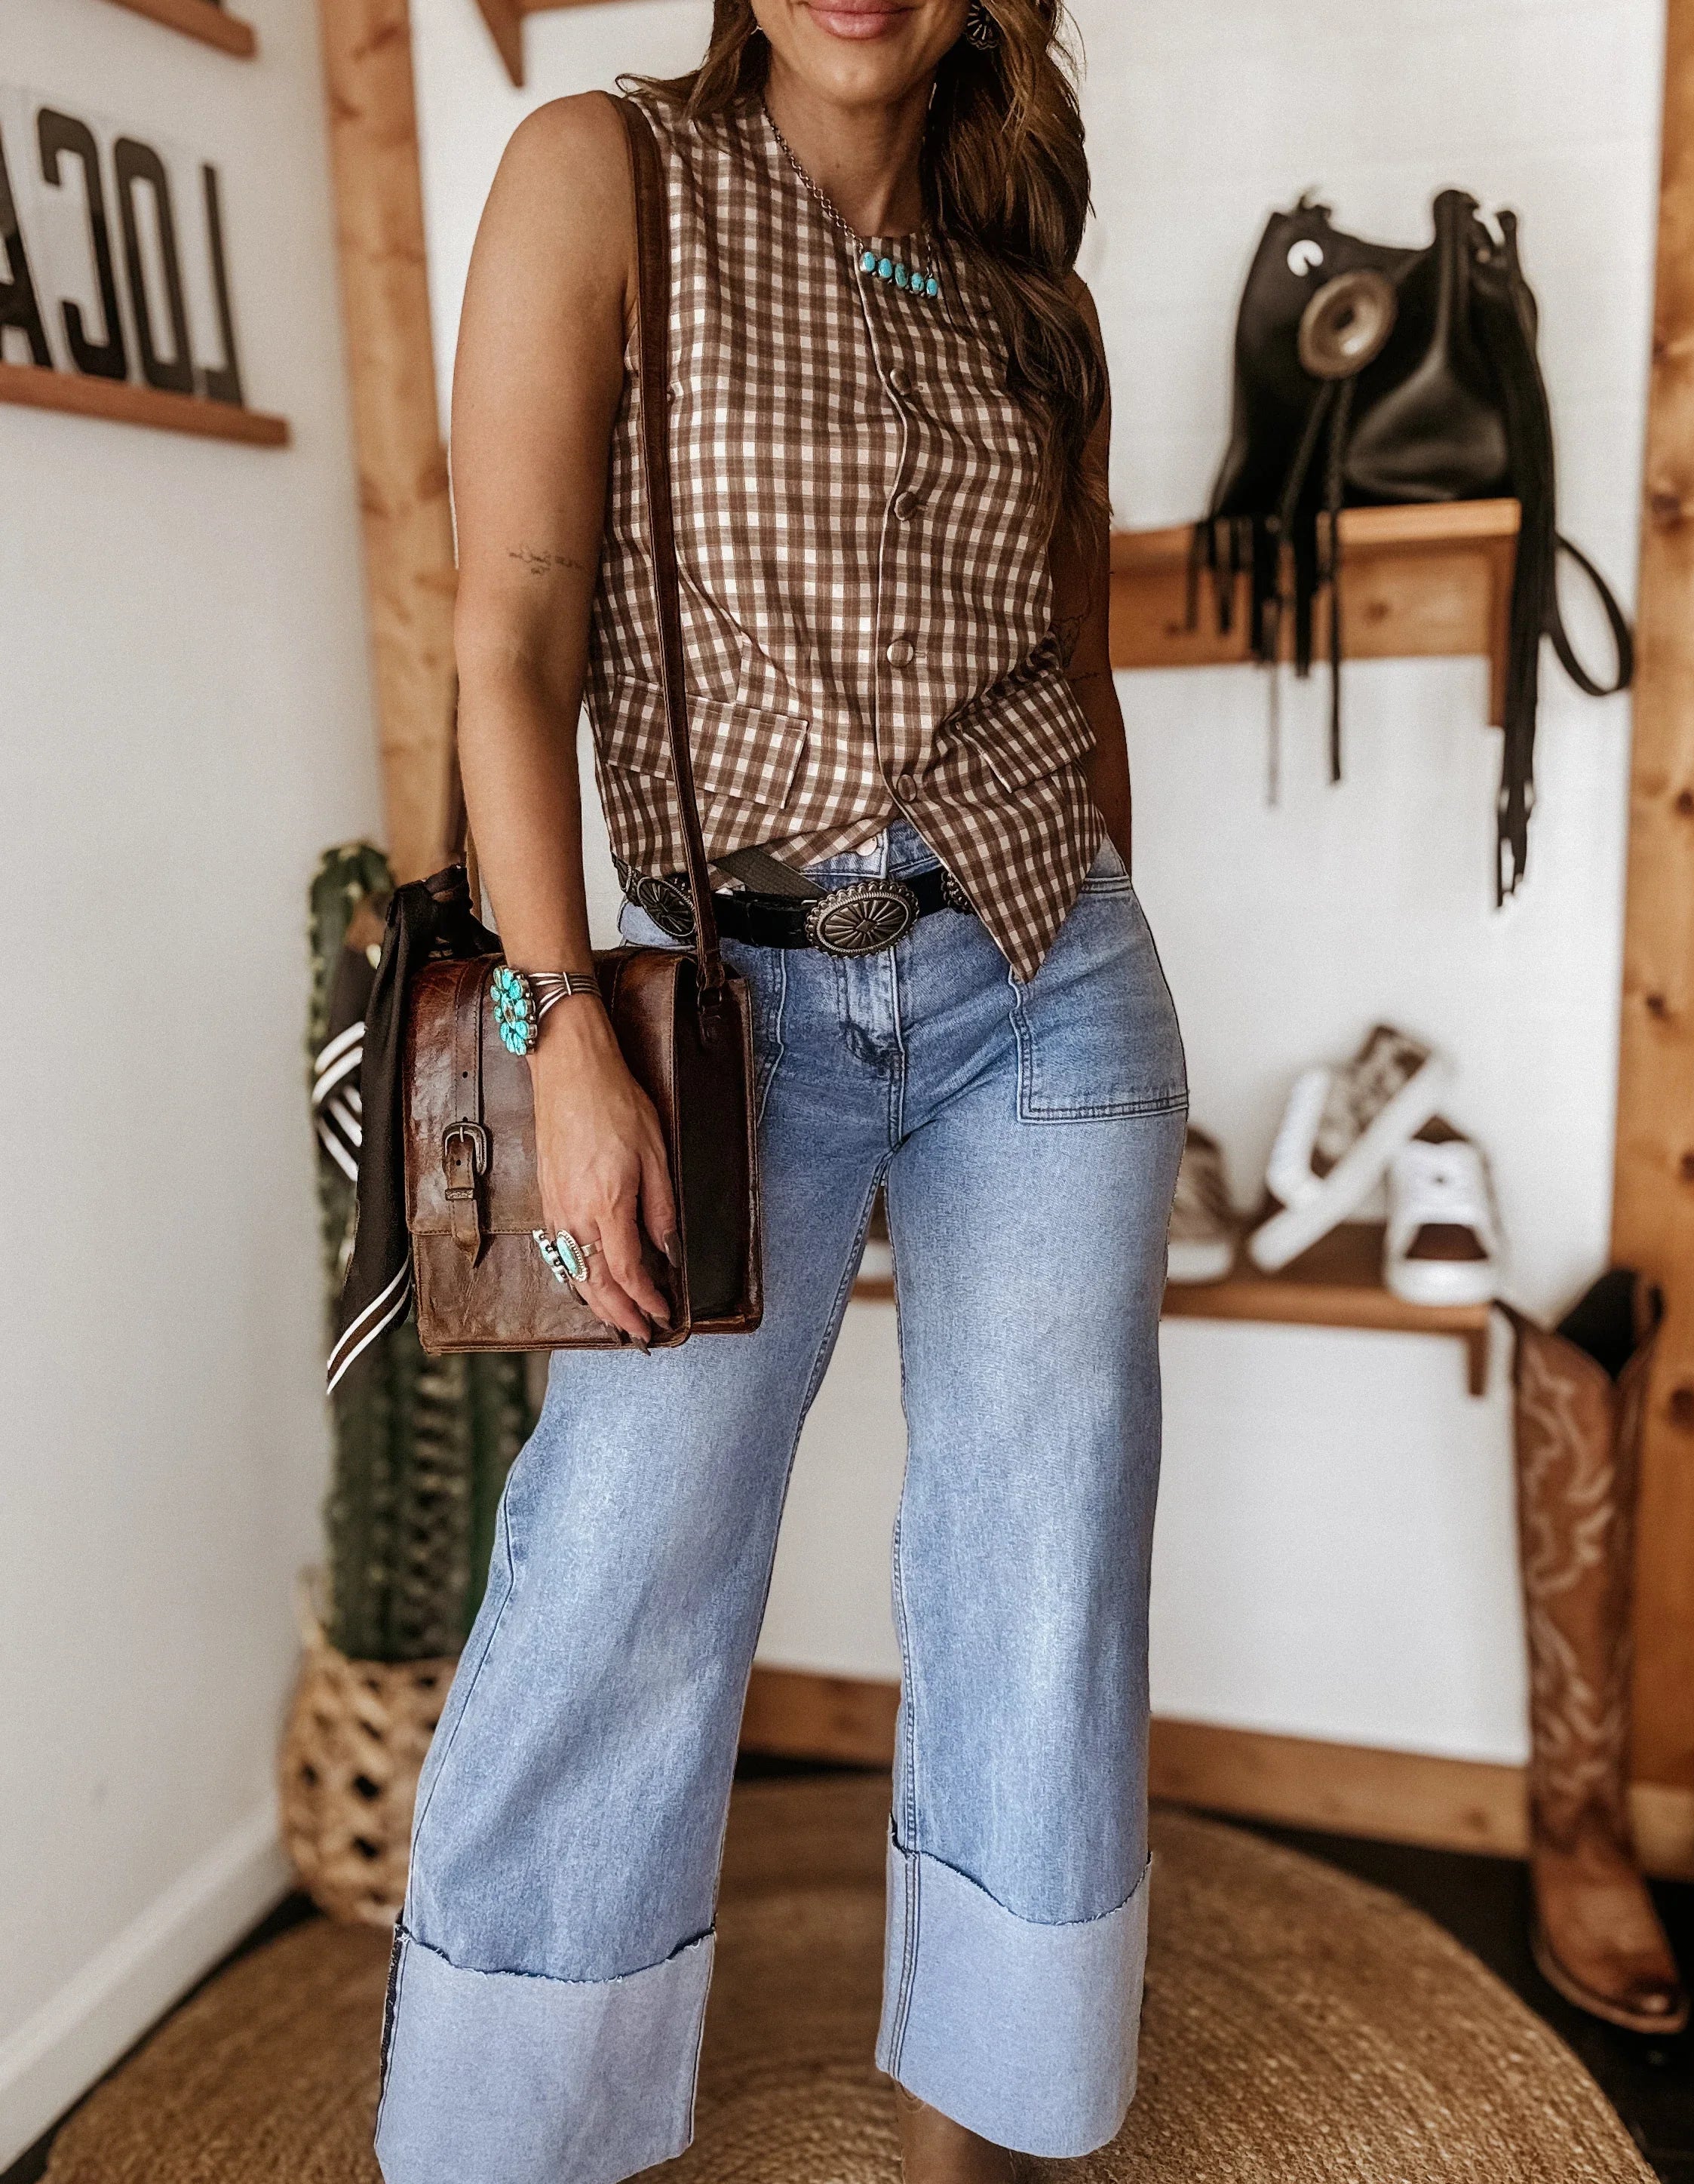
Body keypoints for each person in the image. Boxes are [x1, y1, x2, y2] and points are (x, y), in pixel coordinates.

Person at [373, 3, 1186, 2179]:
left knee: (1047, 1558)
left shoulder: (1038, 286)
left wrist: (1099, 905)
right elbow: (514, 625)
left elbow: (1076, 668)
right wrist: (562, 1028)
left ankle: (981, 2132)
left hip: (1048, 980)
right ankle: (506, 2145)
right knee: (624, 1563)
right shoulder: (601, 171)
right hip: (730, 1008)